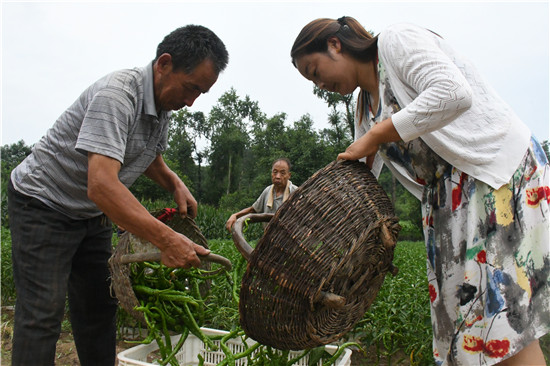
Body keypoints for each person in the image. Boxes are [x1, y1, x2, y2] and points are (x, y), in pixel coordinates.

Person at [291, 17, 549, 366]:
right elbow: (360, 182)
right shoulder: (365, 108)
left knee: (500, 326)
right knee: (469, 332)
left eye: (315, 71)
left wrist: (378, 135)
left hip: (492, 179)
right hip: (448, 204)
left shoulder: (396, 43)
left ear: (335, 45)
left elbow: (454, 93)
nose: (320, 84)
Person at [7, 25, 228, 366]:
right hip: (45, 202)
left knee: (98, 306)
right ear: (164, 64)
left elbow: (147, 152)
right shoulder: (117, 95)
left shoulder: (161, 106)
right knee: (42, 312)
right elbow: (102, 185)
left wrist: (173, 182)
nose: (190, 101)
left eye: (200, 93)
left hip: (89, 212)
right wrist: (167, 240)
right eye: (190, 88)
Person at [226, 158, 298, 231]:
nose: (277, 176)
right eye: (275, 172)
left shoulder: (295, 192)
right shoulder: (268, 191)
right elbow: (253, 209)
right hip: (268, 237)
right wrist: (235, 215)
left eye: (282, 173)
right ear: (271, 173)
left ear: (289, 175)